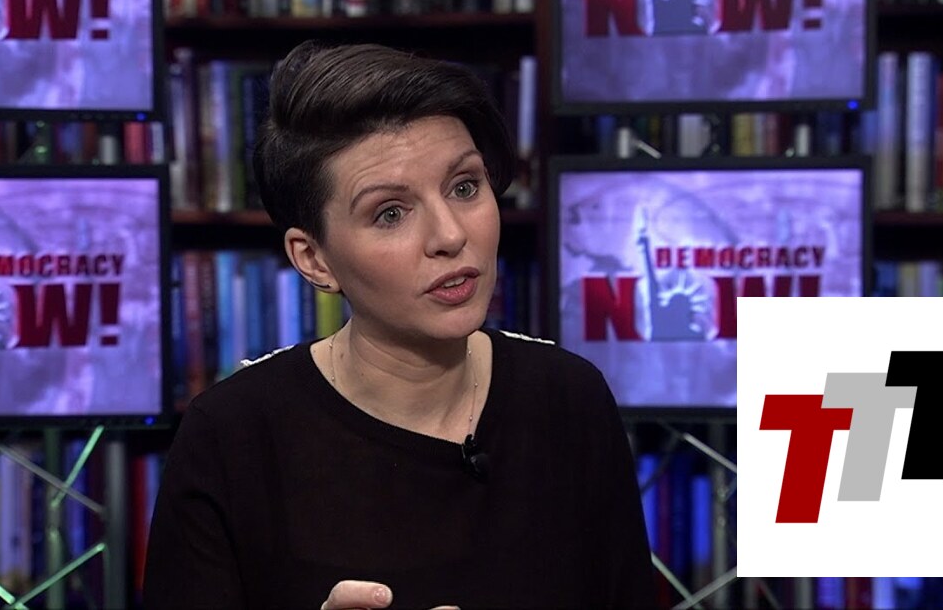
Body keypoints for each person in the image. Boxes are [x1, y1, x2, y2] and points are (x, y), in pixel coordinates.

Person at [143, 40, 657, 609]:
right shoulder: (230, 437)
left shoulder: (570, 398)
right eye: (390, 213)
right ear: (314, 259)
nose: (450, 235)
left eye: (465, 187)